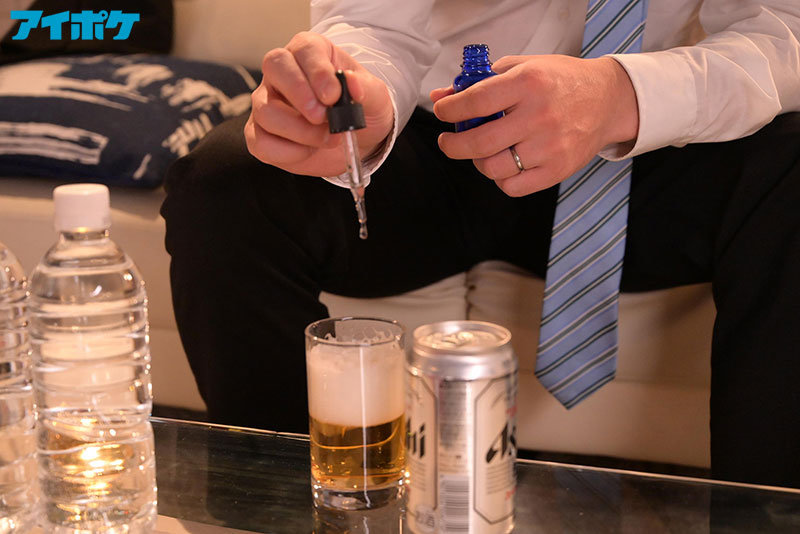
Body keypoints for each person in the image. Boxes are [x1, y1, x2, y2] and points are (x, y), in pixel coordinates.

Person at [160, 0, 800, 488]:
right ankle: (280, 507)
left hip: (656, 136)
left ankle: (771, 511)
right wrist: (356, 93)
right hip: (437, 132)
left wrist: (620, 95)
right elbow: (373, 23)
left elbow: (781, 29)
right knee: (224, 185)